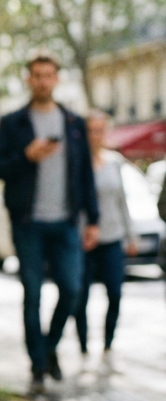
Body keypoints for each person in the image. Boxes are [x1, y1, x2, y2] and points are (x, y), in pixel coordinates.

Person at [0, 55, 99, 394]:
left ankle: (49, 346)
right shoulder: (12, 123)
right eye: (37, 76)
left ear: (56, 79)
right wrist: (26, 156)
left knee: (72, 289)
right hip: (28, 223)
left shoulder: (73, 122)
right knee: (32, 294)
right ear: (29, 80)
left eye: (49, 75)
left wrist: (92, 219)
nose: (43, 81)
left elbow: (84, 174)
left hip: (66, 221)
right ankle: (38, 365)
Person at [75, 112, 136, 374]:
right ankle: (84, 348)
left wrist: (130, 235)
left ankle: (108, 346)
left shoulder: (115, 163)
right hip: (84, 241)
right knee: (81, 296)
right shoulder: (76, 163)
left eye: (100, 130)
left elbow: (122, 201)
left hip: (112, 237)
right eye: (91, 130)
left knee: (115, 293)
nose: (95, 135)